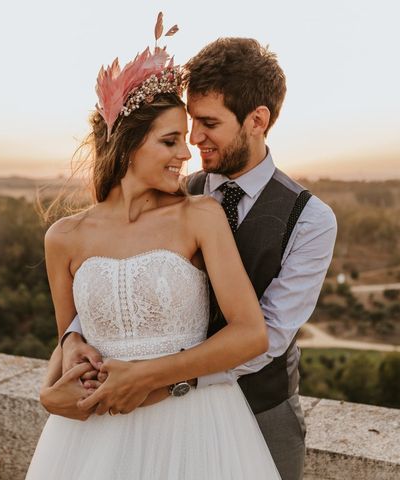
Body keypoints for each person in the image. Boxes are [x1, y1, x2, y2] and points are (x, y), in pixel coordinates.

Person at [55, 37, 338, 479]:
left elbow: (271, 334)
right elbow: (114, 274)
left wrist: (161, 383)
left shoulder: (311, 220)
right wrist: (72, 338)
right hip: (140, 410)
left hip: (261, 411)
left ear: (257, 121)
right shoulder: (173, 193)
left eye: (208, 123)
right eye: (189, 123)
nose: (194, 139)